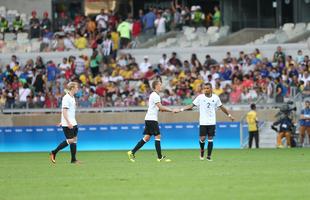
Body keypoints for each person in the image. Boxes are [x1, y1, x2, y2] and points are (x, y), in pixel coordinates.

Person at [176, 83, 234, 161]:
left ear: (211, 89)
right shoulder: (200, 97)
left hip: (212, 122)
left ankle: (209, 156)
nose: (205, 90)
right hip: (203, 122)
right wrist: (181, 109)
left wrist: (229, 115)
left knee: (210, 138)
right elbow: (191, 105)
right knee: (202, 138)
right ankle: (202, 150)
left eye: (207, 88)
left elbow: (222, 107)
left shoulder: (216, 97)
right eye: (204, 88)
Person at [127, 80, 175, 162]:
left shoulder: (154, 95)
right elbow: (160, 107)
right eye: (160, 85)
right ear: (156, 86)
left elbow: (158, 108)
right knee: (158, 136)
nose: (161, 86)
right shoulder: (155, 95)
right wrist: (171, 110)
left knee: (147, 137)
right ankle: (159, 157)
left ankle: (132, 152)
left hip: (149, 118)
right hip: (152, 119)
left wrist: (163, 109)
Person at [50, 82, 80, 164]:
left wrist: (62, 121)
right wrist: (66, 122)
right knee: (70, 140)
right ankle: (54, 152)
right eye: (76, 87)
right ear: (72, 88)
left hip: (73, 122)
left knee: (74, 140)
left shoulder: (72, 97)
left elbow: (69, 112)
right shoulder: (66, 98)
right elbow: (64, 111)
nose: (78, 88)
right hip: (68, 124)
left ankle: (73, 160)